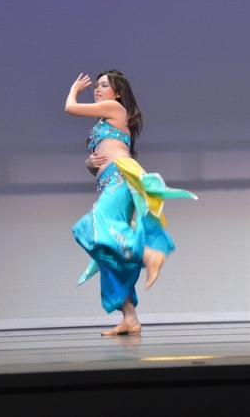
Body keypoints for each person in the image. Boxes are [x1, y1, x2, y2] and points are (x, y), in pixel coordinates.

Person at [65, 69, 196, 336]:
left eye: (104, 85)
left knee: (90, 228)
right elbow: (99, 161)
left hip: (120, 180)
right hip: (109, 183)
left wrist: (74, 91)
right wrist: (90, 163)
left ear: (118, 93)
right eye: (97, 86)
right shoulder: (105, 121)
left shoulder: (115, 108)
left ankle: (149, 254)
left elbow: (70, 108)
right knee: (107, 254)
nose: (98, 89)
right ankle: (130, 318)